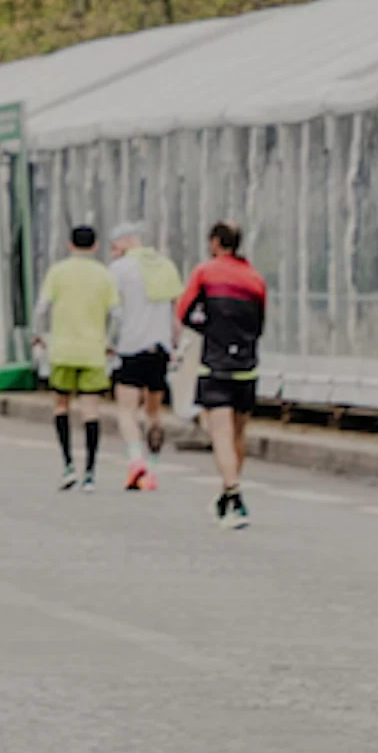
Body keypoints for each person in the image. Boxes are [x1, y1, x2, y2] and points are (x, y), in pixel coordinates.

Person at [176, 220, 270, 529]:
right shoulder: (255, 279)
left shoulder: (205, 272)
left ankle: (234, 495)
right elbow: (259, 326)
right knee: (238, 433)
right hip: (246, 366)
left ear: (215, 242)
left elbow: (184, 311)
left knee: (220, 434)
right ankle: (228, 491)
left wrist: (209, 329)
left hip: (215, 365)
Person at [39, 224, 119, 490]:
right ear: (95, 247)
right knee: (90, 410)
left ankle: (67, 465)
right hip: (93, 350)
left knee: (61, 405)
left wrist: (40, 335)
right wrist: (110, 341)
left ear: (69, 245)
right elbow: (116, 315)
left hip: (62, 349)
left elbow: (42, 308)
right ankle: (90, 473)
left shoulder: (58, 272)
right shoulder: (104, 275)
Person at [104, 222, 180, 489]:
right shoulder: (166, 266)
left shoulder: (119, 269)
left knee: (126, 410)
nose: (112, 251)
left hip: (130, 346)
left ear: (126, 241)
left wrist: (108, 342)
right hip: (160, 348)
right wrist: (174, 345)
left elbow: (113, 310)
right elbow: (176, 313)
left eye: (114, 246)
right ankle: (154, 469)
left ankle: (136, 461)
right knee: (154, 412)